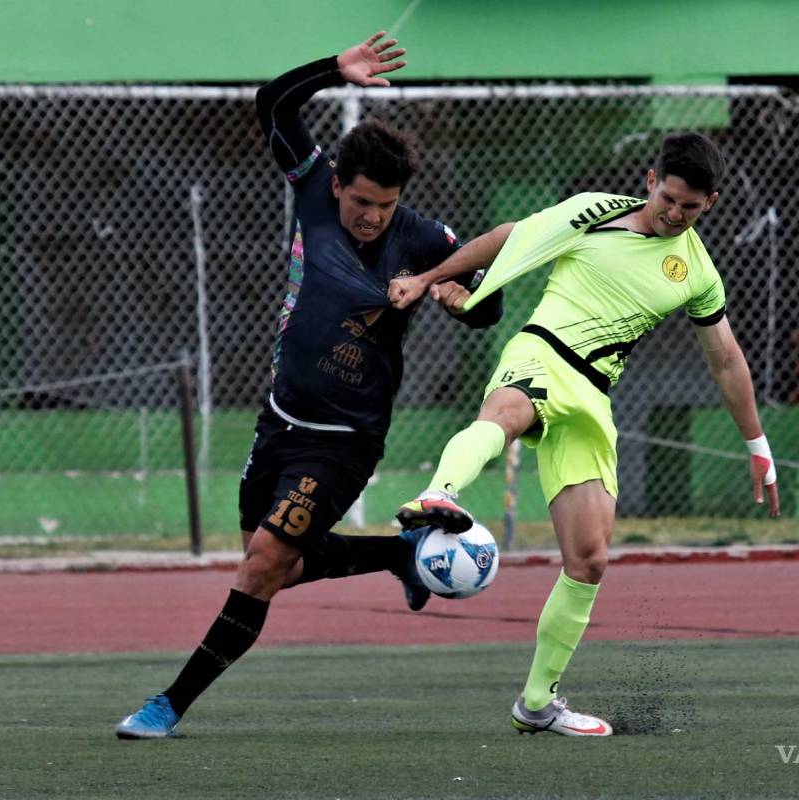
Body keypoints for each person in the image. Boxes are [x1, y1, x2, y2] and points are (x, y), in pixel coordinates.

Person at [115, 32, 502, 739]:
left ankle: (168, 705)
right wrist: (335, 70)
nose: (372, 216)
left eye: (385, 205)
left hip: (347, 441)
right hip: (280, 418)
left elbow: (489, 304)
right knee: (277, 567)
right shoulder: (312, 188)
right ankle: (400, 554)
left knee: (263, 566)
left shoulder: (420, 238)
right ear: (336, 186)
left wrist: (461, 299)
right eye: (361, 202)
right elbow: (272, 105)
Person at [388, 133, 779, 737]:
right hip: (542, 350)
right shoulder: (594, 210)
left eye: (691, 208)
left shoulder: (698, 272)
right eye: (669, 198)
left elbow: (725, 358)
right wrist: (430, 278)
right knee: (505, 416)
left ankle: (537, 704)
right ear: (651, 180)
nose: (675, 213)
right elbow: (511, 239)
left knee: (590, 559)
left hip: (594, 396)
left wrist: (757, 445)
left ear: (712, 203)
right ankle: (439, 495)